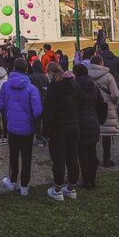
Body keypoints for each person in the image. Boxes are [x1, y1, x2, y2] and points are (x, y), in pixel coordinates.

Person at [0, 58, 43, 196]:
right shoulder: (31, 88)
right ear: (26, 69)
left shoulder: (6, 86)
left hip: (11, 126)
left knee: (13, 155)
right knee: (26, 157)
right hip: (27, 128)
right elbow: (38, 110)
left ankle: (12, 180)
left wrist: (8, 115)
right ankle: (24, 185)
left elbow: (0, 104)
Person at [43, 63, 80, 201]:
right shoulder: (74, 84)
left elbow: (49, 110)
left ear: (51, 73)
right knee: (72, 156)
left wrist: (45, 130)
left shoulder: (54, 87)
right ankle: (71, 187)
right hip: (74, 124)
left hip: (59, 126)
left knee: (58, 158)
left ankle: (57, 188)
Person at [73, 65, 105, 189]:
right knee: (92, 152)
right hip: (93, 121)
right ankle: (92, 179)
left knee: (82, 154)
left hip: (80, 122)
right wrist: (99, 119)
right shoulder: (94, 86)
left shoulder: (75, 86)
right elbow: (101, 104)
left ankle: (86, 180)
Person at [88, 56, 119, 168]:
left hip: (91, 106)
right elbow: (115, 94)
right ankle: (106, 159)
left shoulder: (86, 75)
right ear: (101, 62)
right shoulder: (108, 76)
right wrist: (115, 102)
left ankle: (94, 158)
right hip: (106, 106)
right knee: (106, 135)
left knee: (92, 134)